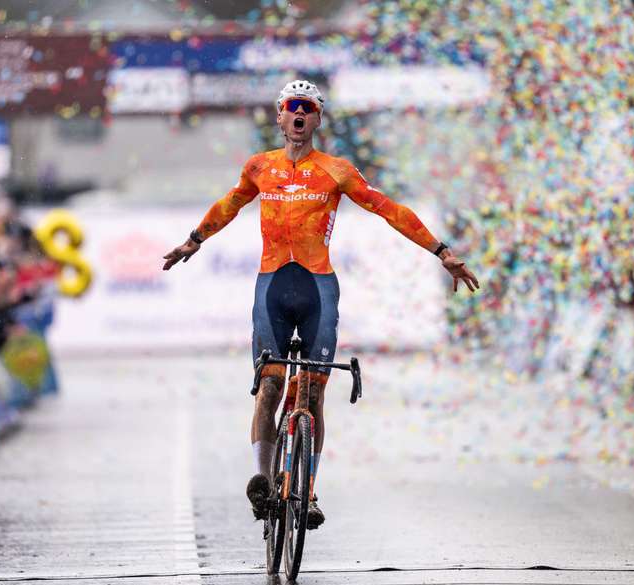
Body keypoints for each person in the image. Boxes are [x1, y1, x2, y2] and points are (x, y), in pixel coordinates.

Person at [163, 80, 479, 529]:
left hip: (318, 289)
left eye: (307, 109)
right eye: (290, 107)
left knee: (312, 393)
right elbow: (228, 205)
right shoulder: (258, 167)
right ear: (278, 116)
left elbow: (389, 210)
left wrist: (441, 251)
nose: (298, 115)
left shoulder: (336, 170)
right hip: (272, 285)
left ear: (317, 118)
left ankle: (307, 491)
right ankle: (262, 479)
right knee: (270, 386)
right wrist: (193, 241)